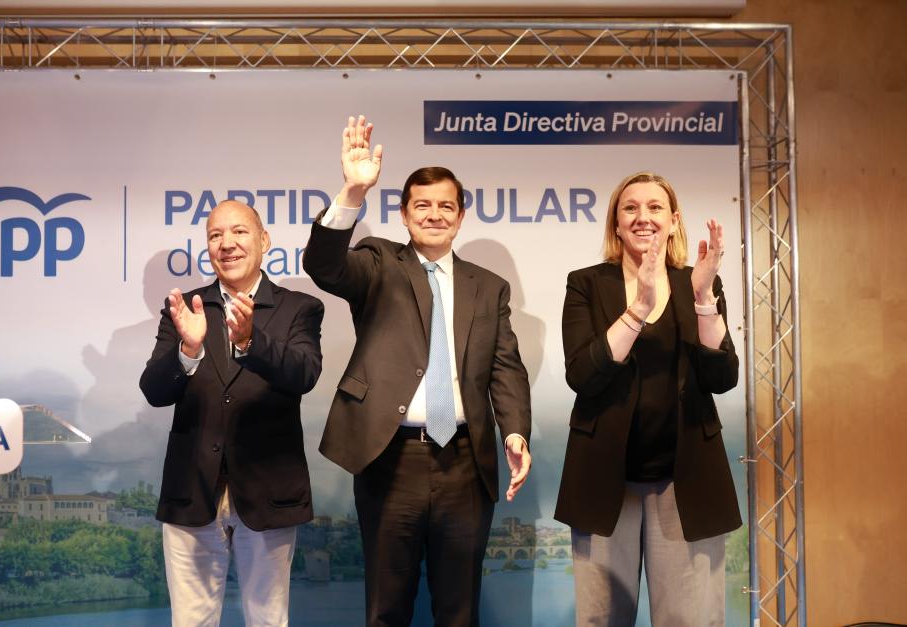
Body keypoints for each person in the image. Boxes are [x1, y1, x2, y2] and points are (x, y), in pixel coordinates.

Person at [303, 115, 532, 627]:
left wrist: (515, 432)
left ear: (461, 215)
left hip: (465, 464)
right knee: (387, 608)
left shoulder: (488, 287)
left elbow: (505, 368)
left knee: (458, 611)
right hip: (390, 457)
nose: (434, 215)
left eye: (445, 206)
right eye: (421, 206)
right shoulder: (378, 261)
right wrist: (353, 190)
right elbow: (325, 266)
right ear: (404, 215)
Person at [554, 172, 741, 626]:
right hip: (605, 480)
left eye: (655, 208)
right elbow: (583, 374)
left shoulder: (698, 282)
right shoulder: (586, 284)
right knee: (602, 618)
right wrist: (638, 308)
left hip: (686, 481)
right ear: (616, 225)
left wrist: (702, 298)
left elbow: (723, 376)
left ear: (674, 221)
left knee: (689, 619)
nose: (643, 218)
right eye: (630, 208)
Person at [140, 199, 324, 626]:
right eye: (215, 235)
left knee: (267, 620)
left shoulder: (299, 308)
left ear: (264, 241)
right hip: (192, 493)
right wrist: (188, 350)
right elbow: (154, 390)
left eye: (239, 232)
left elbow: (304, 373)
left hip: (268, 492)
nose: (227, 244)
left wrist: (250, 342)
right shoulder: (186, 309)